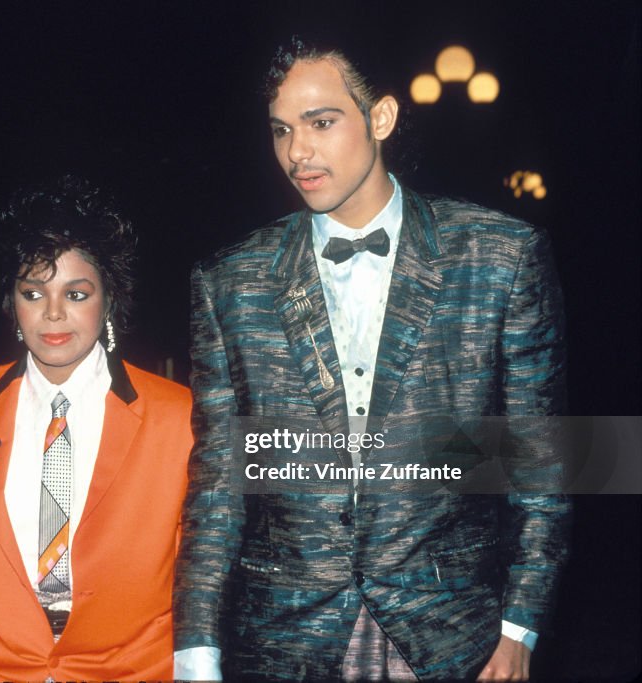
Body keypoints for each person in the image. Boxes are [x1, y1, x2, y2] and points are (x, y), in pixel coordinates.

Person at [174, 38, 570, 681]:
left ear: (379, 119)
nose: (297, 152)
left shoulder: (501, 256)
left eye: (321, 123)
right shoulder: (230, 280)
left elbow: (539, 464)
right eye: (281, 131)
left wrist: (520, 627)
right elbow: (218, 483)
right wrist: (196, 649)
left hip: (452, 633)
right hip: (284, 639)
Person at [0, 175, 192, 681]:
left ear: (108, 302)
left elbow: (209, 564)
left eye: (76, 294)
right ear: (13, 306)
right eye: (33, 293)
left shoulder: (181, 417)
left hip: (134, 668)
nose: (53, 313)